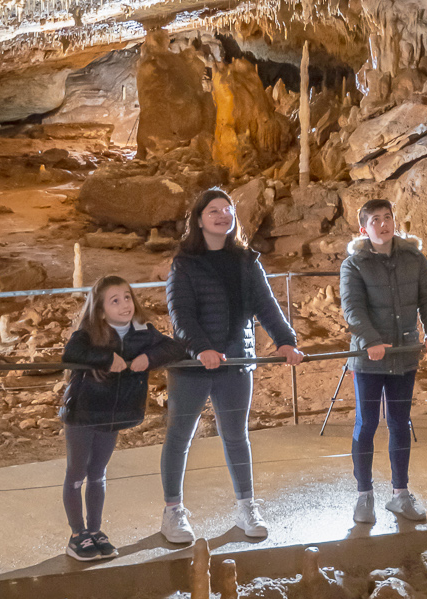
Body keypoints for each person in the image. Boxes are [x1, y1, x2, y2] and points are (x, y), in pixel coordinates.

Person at [162, 185, 299, 544]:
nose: (223, 215)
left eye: (228, 210)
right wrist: (201, 349)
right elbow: (181, 314)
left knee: (237, 435)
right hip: (193, 366)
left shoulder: (246, 262)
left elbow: (266, 306)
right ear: (199, 220)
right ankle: (173, 510)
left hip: (236, 362)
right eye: (214, 210)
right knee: (180, 436)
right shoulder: (184, 264)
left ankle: (246, 506)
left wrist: (286, 341)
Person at [338, 192, 427, 529]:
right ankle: (364, 494)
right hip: (369, 360)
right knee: (367, 424)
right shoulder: (354, 264)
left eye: (388, 218)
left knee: (400, 422)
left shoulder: (414, 258)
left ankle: (400, 492)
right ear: (363, 229)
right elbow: (352, 307)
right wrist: (371, 340)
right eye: (375, 220)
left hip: (403, 356)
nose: (383, 225)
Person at [55, 277, 181, 562]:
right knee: (77, 472)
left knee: (98, 472)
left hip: (112, 416)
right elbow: (71, 353)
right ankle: (77, 534)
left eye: (127, 297)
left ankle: (95, 531)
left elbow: (174, 348)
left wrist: (149, 357)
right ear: (100, 311)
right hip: (83, 412)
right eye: (115, 301)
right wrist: (105, 358)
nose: (125, 305)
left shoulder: (142, 331)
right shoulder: (89, 332)